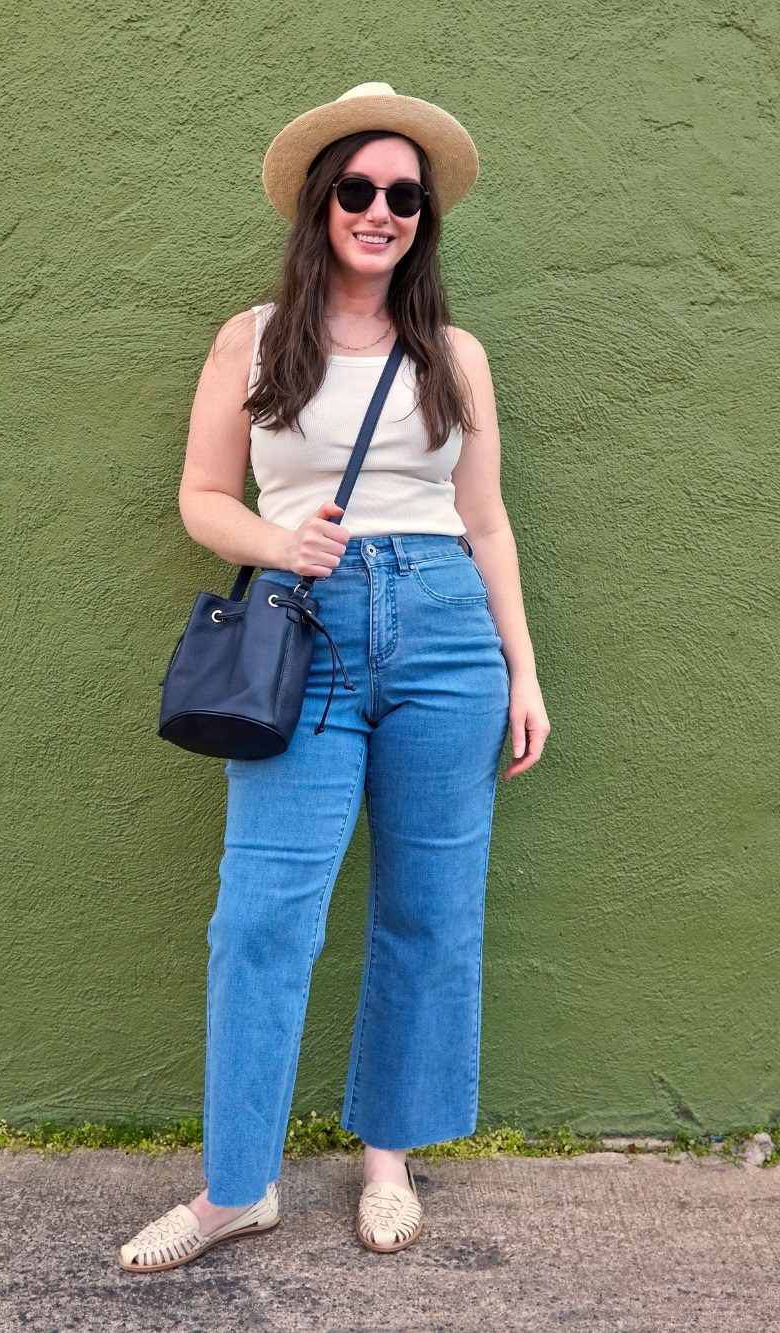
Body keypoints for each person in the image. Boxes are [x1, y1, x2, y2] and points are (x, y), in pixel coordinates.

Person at [116, 83, 549, 1273]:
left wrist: (522, 670)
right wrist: (273, 542)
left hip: (447, 637)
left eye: (403, 196)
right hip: (301, 636)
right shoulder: (251, 339)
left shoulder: (451, 354)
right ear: (320, 204)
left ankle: (389, 1159)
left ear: (422, 219)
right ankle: (233, 1189)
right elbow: (203, 497)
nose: (380, 210)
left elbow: (488, 521)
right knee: (259, 916)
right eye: (357, 189)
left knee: (428, 908)